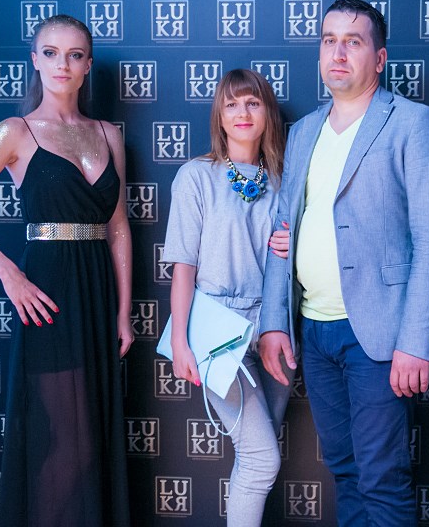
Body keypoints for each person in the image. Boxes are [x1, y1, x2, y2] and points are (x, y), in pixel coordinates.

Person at [259, 0, 429, 526]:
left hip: (380, 334)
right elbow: (282, 231)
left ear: (380, 57)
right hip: (315, 331)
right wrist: (274, 322)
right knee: (345, 472)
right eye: (329, 41)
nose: (338, 53)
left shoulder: (413, 123)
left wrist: (415, 341)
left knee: (382, 480)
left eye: (353, 41)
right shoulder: (303, 131)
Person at [0, 14, 133, 527]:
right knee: (67, 439)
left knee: (93, 438)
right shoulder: (15, 132)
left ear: (88, 65)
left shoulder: (108, 135)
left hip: (97, 293)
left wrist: (123, 313)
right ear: (35, 61)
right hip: (47, 295)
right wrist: (10, 275)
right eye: (50, 53)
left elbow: (117, 229)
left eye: (74, 54)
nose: (62, 64)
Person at [162, 69, 292, 527]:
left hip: (274, 329)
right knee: (261, 459)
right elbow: (183, 266)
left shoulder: (286, 179)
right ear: (219, 115)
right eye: (232, 104)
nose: (242, 113)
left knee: (256, 458)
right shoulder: (196, 176)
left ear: (267, 113)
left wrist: (295, 244)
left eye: (252, 103)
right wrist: (180, 341)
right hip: (218, 329)